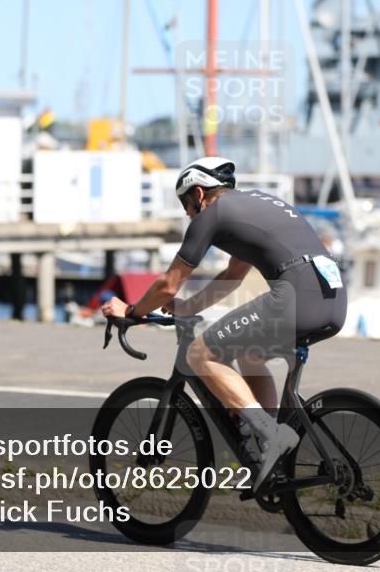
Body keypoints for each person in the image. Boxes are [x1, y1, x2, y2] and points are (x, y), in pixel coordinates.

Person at [101, 157, 347, 488]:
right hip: (333, 299)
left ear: (199, 193)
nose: (189, 214)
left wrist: (133, 311)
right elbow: (233, 276)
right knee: (250, 354)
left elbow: (168, 283)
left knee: (200, 355)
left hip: (297, 296)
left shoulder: (213, 214)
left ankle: (270, 433)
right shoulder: (253, 205)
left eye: (186, 205)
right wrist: (188, 308)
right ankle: (269, 449)